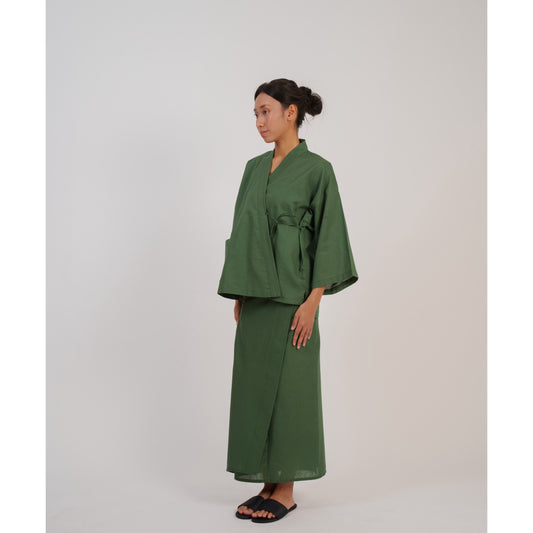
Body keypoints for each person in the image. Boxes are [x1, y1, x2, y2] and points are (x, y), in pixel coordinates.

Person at [217, 78, 359, 523]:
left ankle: (286, 489)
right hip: (255, 295)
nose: (259, 121)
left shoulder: (318, 170)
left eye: (266, 111)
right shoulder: (253, 169)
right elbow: (241, 229)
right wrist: (239, 290)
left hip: (294, 296)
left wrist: (313, 301)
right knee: (254, 388)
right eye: (255, 114)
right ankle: (266, 483)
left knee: (290, 391)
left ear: (290, 112)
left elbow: (330, 236)